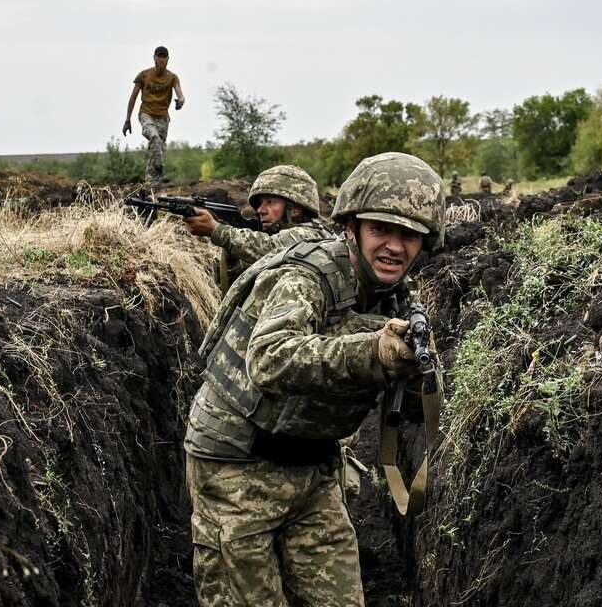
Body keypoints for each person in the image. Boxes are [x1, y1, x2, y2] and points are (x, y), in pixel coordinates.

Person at [184, 152, 445, 606]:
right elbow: (268, 359)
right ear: (352, 227)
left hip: (312, 466)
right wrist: (371, 350)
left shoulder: (398, 299)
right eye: (381, 229)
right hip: (236, 468)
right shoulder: (307, 277)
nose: (394, 247)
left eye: (409, 235)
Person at [183, 165, 333, 271]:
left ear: (294, 209)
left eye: (270, 202)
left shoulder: (311, 235)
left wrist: (216, 230)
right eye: (260, 203)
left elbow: (270, 247)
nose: (261, 210)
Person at [123, 46, 184, 183]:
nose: (161, 59)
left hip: (163, 118)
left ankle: (150, 183)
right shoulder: (144, 76)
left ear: (168, 59)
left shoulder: (172, 77)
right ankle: (161, 170)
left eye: (164, 57)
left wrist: (181, 101)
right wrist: (127, 120)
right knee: (155, 138)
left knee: (158, 150)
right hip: (146, 114)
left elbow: (180, 93)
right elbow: (133, 97)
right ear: (154, 58)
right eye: (159, 56)